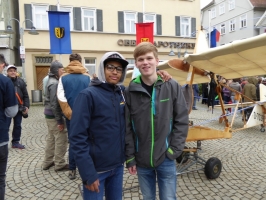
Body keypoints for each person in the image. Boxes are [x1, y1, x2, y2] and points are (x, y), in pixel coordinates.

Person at [125, 42, 189, 200]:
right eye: (141, 59)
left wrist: (173, 151)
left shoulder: (171, 85)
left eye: (149, 58)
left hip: (166, 158)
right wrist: (131, 157)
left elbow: (182, 120)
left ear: (157, 60)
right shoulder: (130, 90)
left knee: (168, 198)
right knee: (148, 198)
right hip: (141, 159)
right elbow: (127, 127)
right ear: (136, 63)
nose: (145, 62)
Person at [70, 52, 128, 199]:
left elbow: (144, 86)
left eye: (119, 69)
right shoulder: (88, 95)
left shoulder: (121, 93)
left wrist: (160, 75)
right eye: (110, 67)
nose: (115, 72)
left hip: (117, 166)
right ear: (102, 68)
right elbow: (77, 137)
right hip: (96, 170)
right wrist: (87, 173)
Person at [57, 53, 91, 180]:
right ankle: (86, 169)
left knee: (74, 142)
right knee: (87, 140)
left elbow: (61, 98)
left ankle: (72, 169)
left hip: (70, 116)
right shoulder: (88, 77)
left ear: (70, 61)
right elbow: (91, 97)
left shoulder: (63, 78)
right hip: (86, 114)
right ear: (80, 62)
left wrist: (70, 114)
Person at [42, 60, 68, 172]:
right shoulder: (55, 83)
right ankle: (60, 163)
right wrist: (59, 121)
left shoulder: (51, 80)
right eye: (62, 69)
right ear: (57, 70)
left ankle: (47, 162)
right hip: (53, 115)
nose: (63, 71)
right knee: (61, 138)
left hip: (48, 114)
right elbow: (54, 103)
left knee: (51, 138)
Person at [0, 55, 18, 200]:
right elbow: (12, 111)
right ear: (2, 65)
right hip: (0, 137)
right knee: (0, 178)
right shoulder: (5, 82)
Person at [6, 65, 29, 149]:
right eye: (10, 70)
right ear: (7, 72)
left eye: (14, 71)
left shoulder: (21, 82)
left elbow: (26, 95)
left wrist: (26, 106)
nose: (12, 72)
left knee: (18, 125)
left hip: (19, 107)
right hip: (7, 108)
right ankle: (3, 142)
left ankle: (15, 142)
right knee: (5, 126)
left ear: (16, 72)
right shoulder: (4, 81)